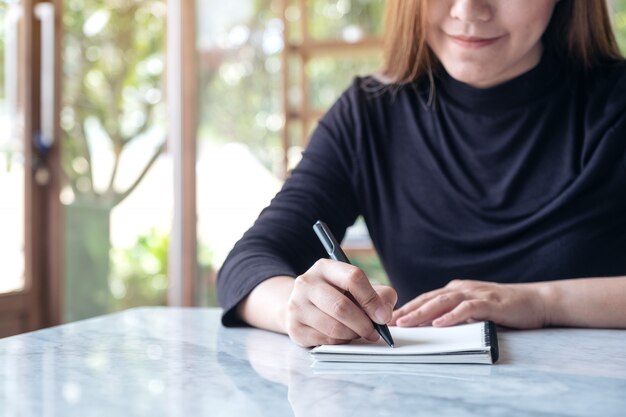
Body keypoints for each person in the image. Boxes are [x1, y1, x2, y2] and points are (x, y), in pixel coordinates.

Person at [217, 0, 626, 347]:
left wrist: (542, 302)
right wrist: (300, 307)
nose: (468, 10)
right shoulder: (370, 115)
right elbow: (248, 265)